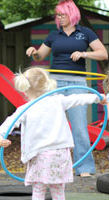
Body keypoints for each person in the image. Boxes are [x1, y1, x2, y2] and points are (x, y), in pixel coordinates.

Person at [0, 67, 106, 200]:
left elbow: (9, 123)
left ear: (25, 89)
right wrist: (99, 97)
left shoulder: (25, 109)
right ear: (46, 84)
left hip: (39, 155)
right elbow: (77, 98)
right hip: (60, 154)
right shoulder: (58, 101)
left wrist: (0, 137)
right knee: (58, 191)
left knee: (38, 191)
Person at [26, 0, 108, 177]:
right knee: (49, 125)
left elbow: (103, 53)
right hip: (54, 83)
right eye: (58, 15)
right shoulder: (54, 35)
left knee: (79, 127)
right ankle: (48, 166)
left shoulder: (85, 33)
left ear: (71, 14)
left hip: (77, 83)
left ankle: (84, 168)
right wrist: (34, 51)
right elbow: (41, 56)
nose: (59, 17)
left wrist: (84, 53)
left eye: (62, 14)